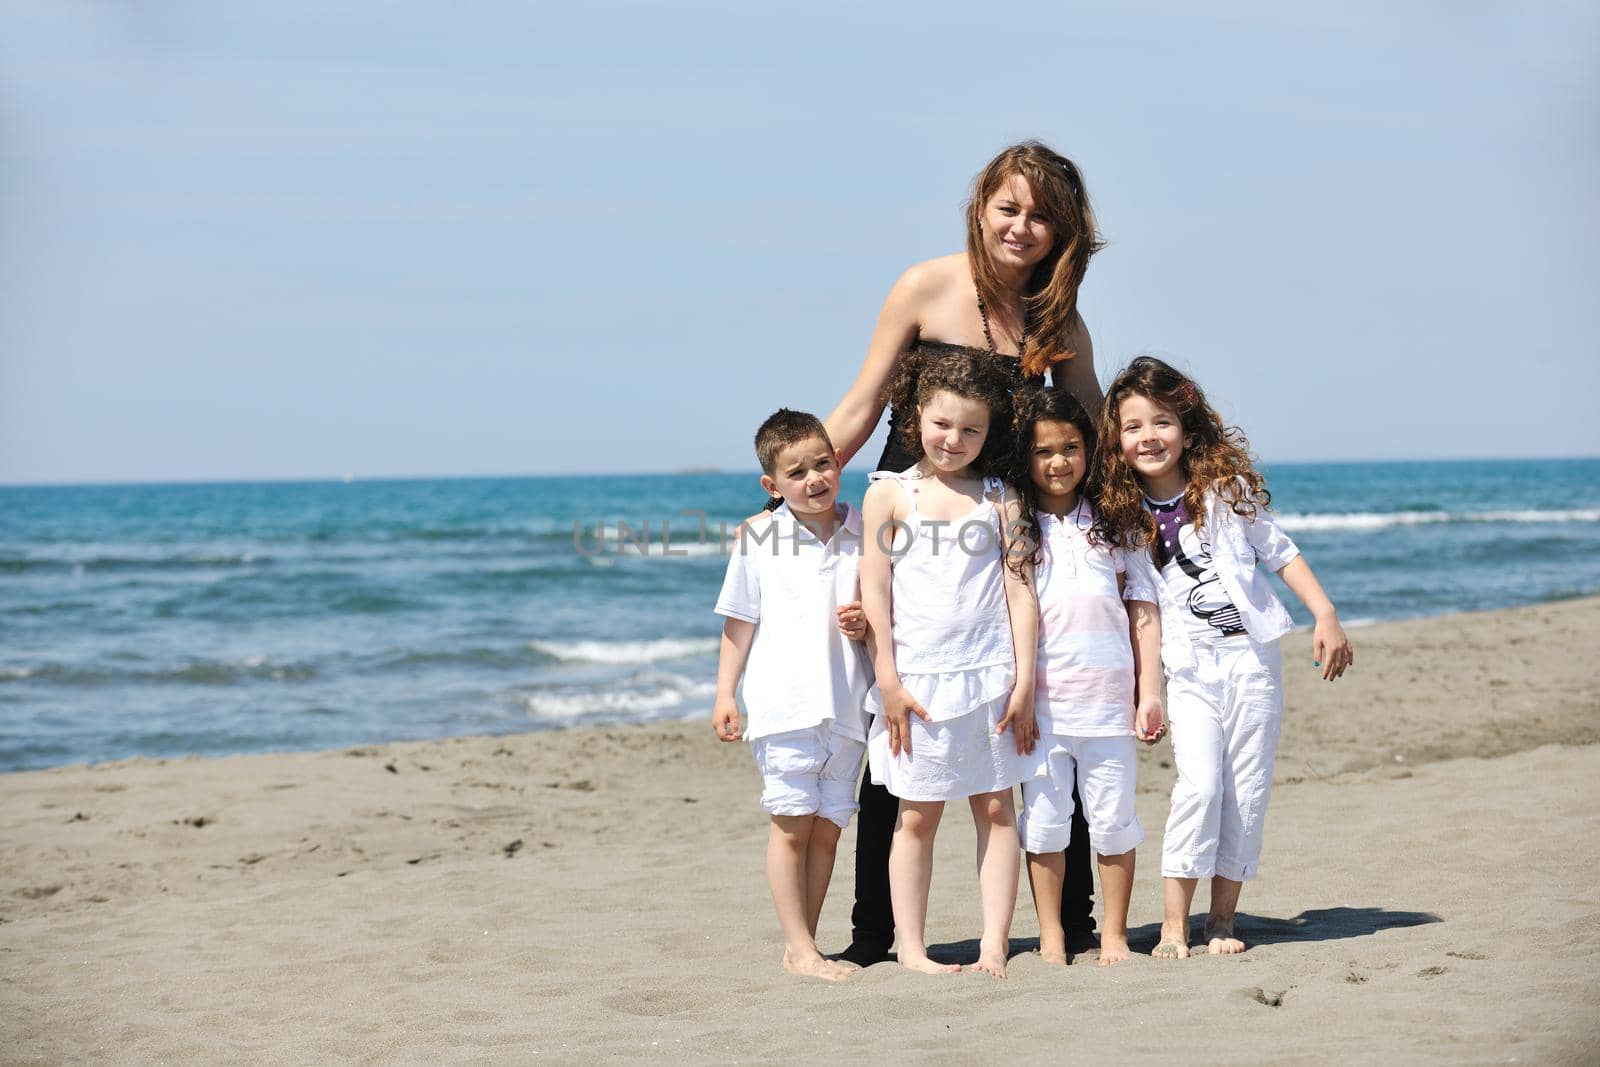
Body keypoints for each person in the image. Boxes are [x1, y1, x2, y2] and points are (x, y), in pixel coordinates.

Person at [823, 141, 1107, 967]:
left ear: (1064, 232)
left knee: (1042, 723)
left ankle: (1075, 920)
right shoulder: (924, 284)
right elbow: (863, 401)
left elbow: (1091, 431)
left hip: (1003, 533)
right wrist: (790, 496)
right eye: (1009, 207)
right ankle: (874, 936)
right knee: (898, 726)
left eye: (1042, 215)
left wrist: (1160, 501)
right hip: (906, 522)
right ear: (981, 204)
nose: (1022, 226)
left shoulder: (1060, 321)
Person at [1092, 356, 1354, 958]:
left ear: (1185, 426)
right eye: (1133, 426)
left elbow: (1279, 552)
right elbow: (1142, 611)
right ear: (1117, 439)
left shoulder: (1224, 491)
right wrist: (1149, 689)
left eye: (1161, 421)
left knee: (1246, 790)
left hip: (1251, 661)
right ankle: (1174, 925)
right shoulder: (1123, 516)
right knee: (1200, 786)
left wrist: (1326, 614)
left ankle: (1222, 922)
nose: (1148, 436)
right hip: (1187, 668)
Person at [859, 349, 1042, 979]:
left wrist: (1023, 682)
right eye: (942, 424)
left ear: (989, 432)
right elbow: (875, 593)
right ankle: (911, 947)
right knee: (916, 814)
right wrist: (888, 681)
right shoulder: (889, 495)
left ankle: (995, 942)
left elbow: (1021, 591)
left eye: (970, 429)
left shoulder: (1002, 496)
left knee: (997, 809)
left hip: (991, 676)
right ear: (917, 418)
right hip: (916, 685)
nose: (954, 439)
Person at [711, 409, 874, 982]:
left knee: (828, 828)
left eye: (823, 464)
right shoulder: (758, 538)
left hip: (850, 705)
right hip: (784, 705)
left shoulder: (865, 532)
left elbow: (885, 611)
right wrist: (724, 693)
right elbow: (739, 620)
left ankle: (802, 942)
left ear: (839, 462)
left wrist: (866, 622)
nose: (813, 479)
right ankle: (801, 949)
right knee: (791, 824)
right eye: (796, 471)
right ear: (772, 486)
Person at [1007, 385, 1165, 967]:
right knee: (1045, 825)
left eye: (1071, 447)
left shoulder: (1116, 522)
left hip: (1110, 706)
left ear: (1090, 450)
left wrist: (1150, 693)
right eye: (1044, 450)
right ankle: (1051, 935)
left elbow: (1144, 611)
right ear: (1025, 457)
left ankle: (1116, 935)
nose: (1058, 462)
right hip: (1042, 712)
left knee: (1114, 823)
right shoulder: (1015, 529)